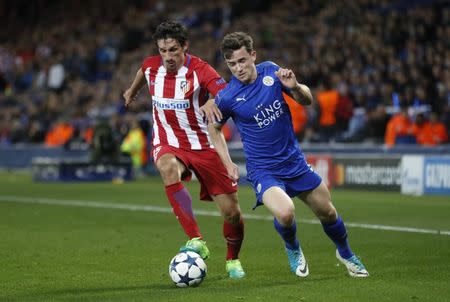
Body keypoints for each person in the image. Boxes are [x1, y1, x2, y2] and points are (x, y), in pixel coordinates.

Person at [202, 32, 369, 278]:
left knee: (328, 212)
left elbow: (307, 100)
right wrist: (227, 163)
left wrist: (296, 87)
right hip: (264, 170)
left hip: (295, 162)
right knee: (286, 212)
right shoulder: (227, 97)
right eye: (232, 64)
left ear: (253, 56)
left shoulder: (271, 71)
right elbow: (213, 129)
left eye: (242, 61)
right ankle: (293, 248)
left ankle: (345, 253)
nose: (238, 68)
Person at [122, 21, 245, 279]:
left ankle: (232, 259)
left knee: (232, 213)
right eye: (163, 50)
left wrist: (212, 99)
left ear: (185, 46)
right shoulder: (150, 65)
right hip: (168, 142)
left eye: (173, 50)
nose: (167, 57)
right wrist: (131, 92)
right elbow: (142, 73)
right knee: (167, 167)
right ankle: (196, 239)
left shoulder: (200, 69)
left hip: (203, 145)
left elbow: (225, 90)